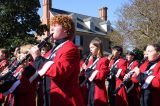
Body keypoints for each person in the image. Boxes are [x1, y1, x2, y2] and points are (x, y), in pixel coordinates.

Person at [29, 14, 84, 106]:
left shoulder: (71, 48)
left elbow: (60, 71)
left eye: (55, 25)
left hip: (65, 99)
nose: (51, 28)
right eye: (51, 26)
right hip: (50, 97)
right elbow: (40, 71)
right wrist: (26, 67)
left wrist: (38, 58)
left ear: (66, 29)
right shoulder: (52, 51)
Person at [80, 37, 109, 106]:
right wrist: (82, 73)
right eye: (90, 48)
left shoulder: (104, 60)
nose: (90, 50)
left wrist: (87, 69)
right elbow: (88, 76)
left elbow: (101, 76)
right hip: (90, 88)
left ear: (98, 47)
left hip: (98, 89)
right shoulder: (91, 60)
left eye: (92, 47)